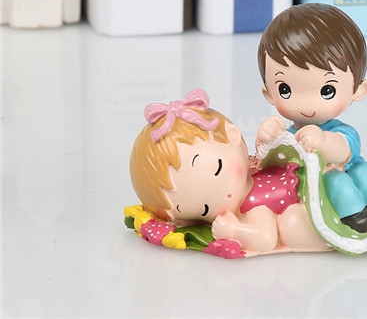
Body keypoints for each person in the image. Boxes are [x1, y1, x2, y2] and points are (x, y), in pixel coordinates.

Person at [256, 3, 367, 233]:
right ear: (269, 93)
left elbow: (343, 150)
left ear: (358, 90)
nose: (307, 104)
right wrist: (265, 138)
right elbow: (268, 164)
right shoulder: (287, 135)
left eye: (327, 90)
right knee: (336, 180)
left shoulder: (343, 132)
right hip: (309, 186)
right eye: (285, 89)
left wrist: (323, 141)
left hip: (345, 169)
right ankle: (354, 214)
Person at [130, 89, 330, 254]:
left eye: (218, 169)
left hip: (311, 195)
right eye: (205, 209)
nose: (223, 196)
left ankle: (327, 233)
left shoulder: (254, 202)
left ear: (233, 135)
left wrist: (235, 229)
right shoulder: (245, 204)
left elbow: (266, 239)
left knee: (291, 225)